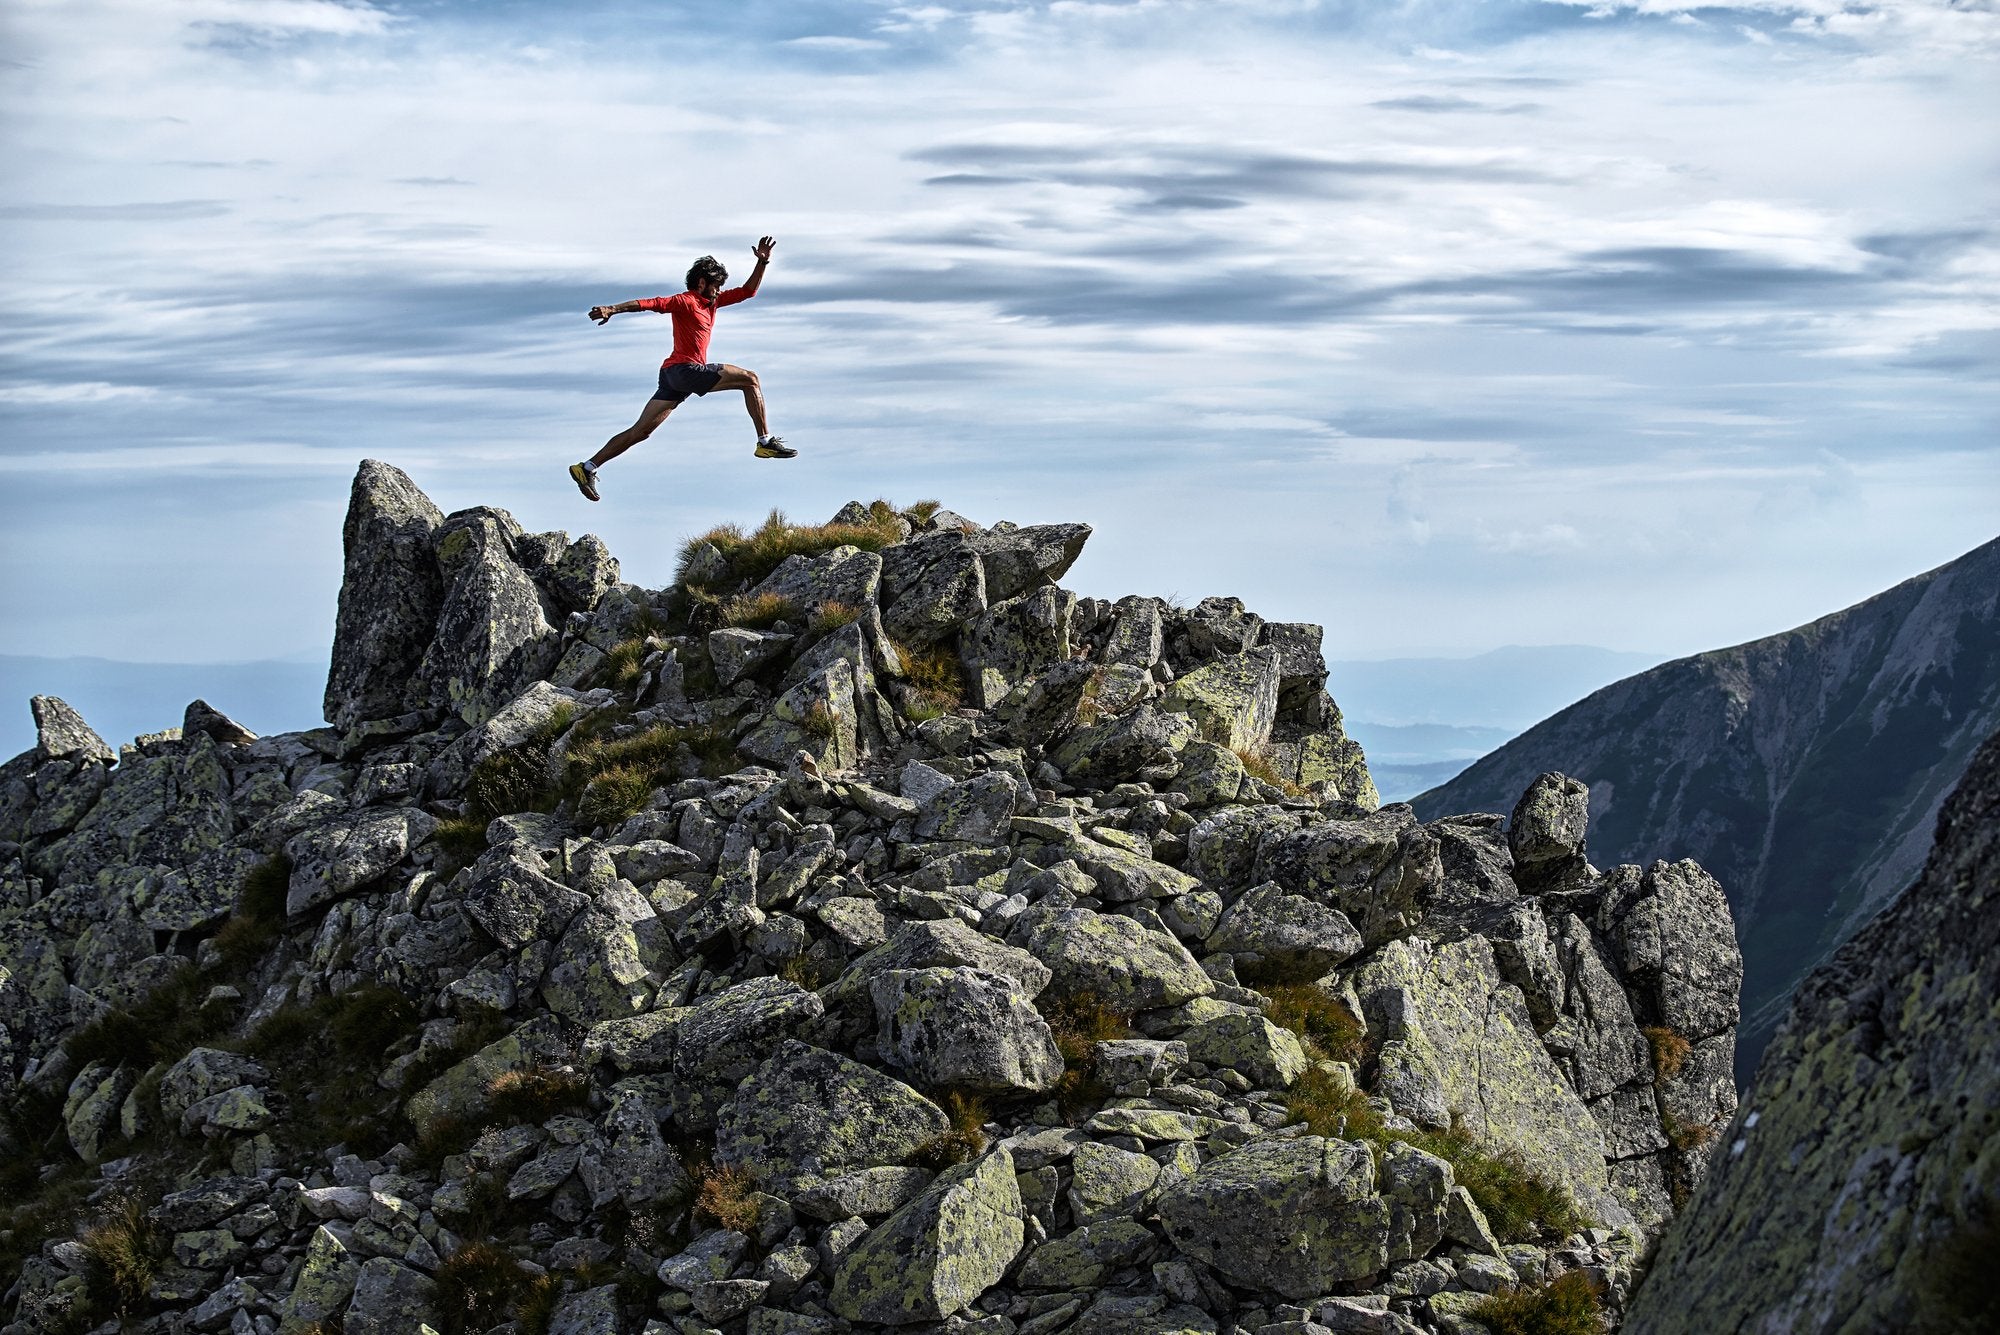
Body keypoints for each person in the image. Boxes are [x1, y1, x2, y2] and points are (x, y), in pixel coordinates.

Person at [569, 235, 794, 502]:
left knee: (641, 432)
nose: (719, 290)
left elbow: (747, 292)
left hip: (673, 378)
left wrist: (762, 263)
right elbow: (649, 303)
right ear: (702, 282)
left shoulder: (712, 303)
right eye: (716, 285)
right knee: (751, 379)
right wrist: (611, 309)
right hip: (685, 371)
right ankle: (765, 443)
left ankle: (587, 468)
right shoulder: (686, 301)